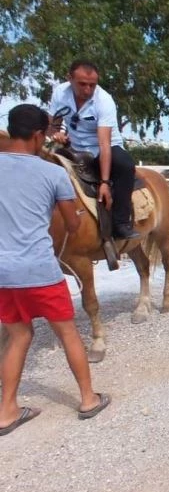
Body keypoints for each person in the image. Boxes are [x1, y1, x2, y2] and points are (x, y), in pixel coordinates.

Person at [0, 104, 110, 436]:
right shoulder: (52, 173)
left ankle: (6, 411)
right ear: (37, 136)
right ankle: (88, 399)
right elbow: (73, 225)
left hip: (3, 273)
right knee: (68, 333)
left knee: (19, 336)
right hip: (40, 272)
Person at [49, 60, 139, 239]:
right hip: (72, 146)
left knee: (125, 164)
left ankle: (120, 222)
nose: (87, 90)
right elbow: (52, 125)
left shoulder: (104, 101)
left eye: (92, 85)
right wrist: (55, 134)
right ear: (70, 79)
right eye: (82, 84)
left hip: (102, 147)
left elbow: (104, 143)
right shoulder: (60, 92)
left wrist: (104, 183)